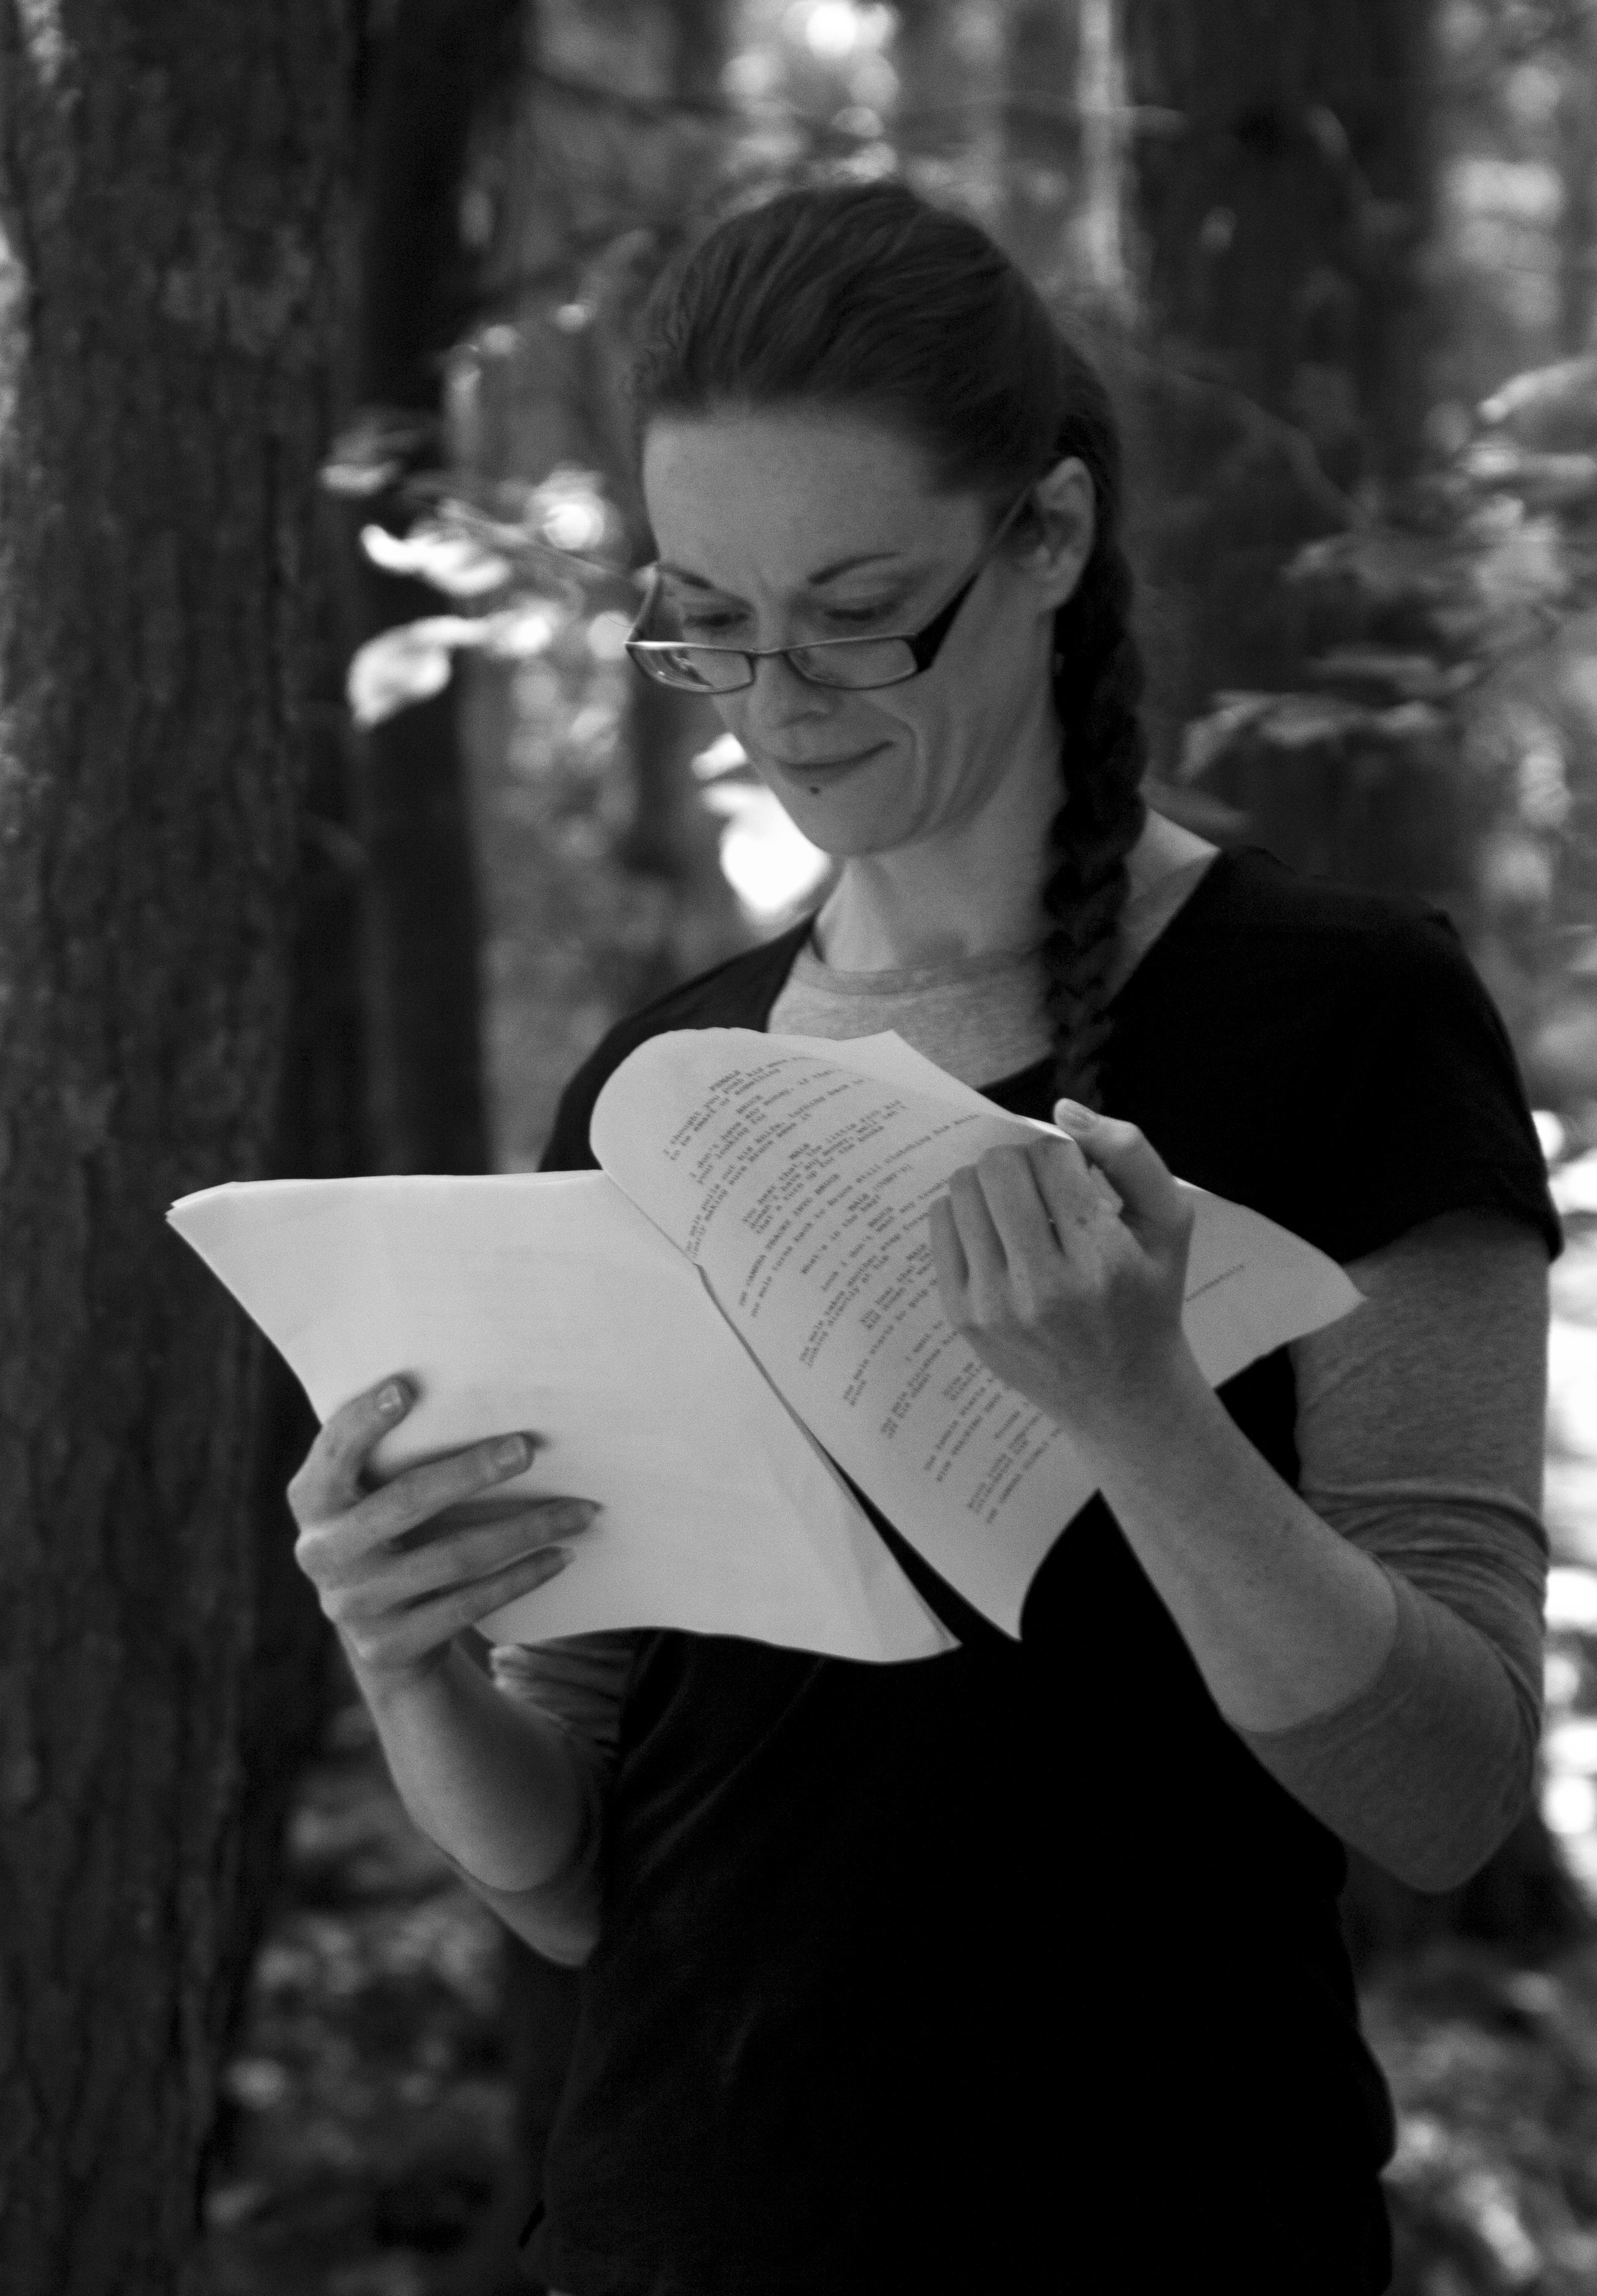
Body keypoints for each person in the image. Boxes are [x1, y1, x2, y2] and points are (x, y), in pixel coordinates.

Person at [288, 184, 1561, 2294]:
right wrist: (409, 1661)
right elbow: (572, 1874)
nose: (774, 699)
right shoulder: (662, 1087)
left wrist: (1142, 1416)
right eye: (708, 619)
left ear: (1044, 537)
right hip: (668, 2241)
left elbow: (1444, 1793)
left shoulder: (1342, 1022)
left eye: (856, 613)